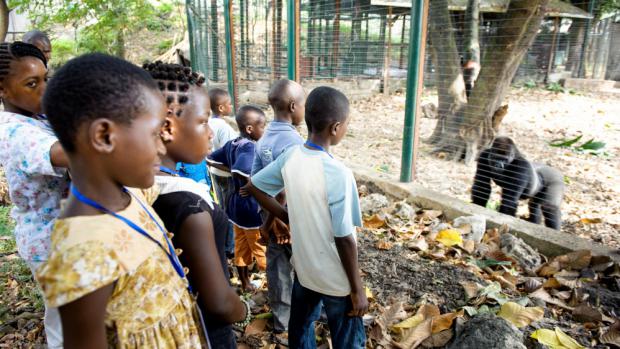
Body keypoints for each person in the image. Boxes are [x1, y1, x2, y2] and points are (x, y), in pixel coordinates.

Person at [36, 53, 207, 348]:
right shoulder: (84, 251)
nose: (161, 144)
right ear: (104, 136)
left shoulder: (130, 194)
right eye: (155, 133)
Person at [247, 86, 368, 349]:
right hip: (337, 280)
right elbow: (344, 238)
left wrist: (287, 216)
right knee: (348, 338)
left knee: (300, 328)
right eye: (346, 124)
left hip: (304, 270)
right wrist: (356, 288)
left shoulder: (292, 156)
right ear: (336, 128)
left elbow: (255, 185)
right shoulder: (339, 173)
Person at [143, 61, 249, 348]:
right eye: (203, 122)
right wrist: (242, 310)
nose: (211, 133)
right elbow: (218, 303)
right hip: (206, 334)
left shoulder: (136, 187)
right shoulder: (191, 205)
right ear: (167, 126)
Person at [0, 41, 68, 348]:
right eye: (32, 83)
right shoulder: (13, 130)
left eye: (45, 79)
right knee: (67, 326)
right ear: (2, 89)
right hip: (48, 244)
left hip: (62, 238)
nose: (44, 89)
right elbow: (66, 153)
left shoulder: (36, 117)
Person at [250, 79, 305, 333]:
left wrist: (267, 223)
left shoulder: (263, 139)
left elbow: (255, 183)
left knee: (278, 268)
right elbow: (286, 189)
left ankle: (282, 322)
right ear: (294, 106)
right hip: (291, 218)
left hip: (270, 215)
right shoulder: (295, 143)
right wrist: (280, 220)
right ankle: (316, 314)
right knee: (307, 264)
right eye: (303, 103)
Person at [209, 105, 266, 292]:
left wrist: (232, 170)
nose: (264, 131)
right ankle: (274, 287)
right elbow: (241, 168)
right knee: (261, 248)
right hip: (251, 207)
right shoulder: (250, 147)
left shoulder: (233, 144)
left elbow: (211, 160)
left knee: (241, 246)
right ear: (250, 129)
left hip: (235, 207)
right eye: (262, 126)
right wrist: (251, 184)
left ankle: (245, 283)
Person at [207, 88, 238, 257]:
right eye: (229, 104)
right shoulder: (223, 127)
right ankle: (230, 247)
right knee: (231, 210)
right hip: (227, 174)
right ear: (220, 107)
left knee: (222, 207)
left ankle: (226, 245)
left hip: (214, 171)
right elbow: (231, 152)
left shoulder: (209, 123)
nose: (231, 106)